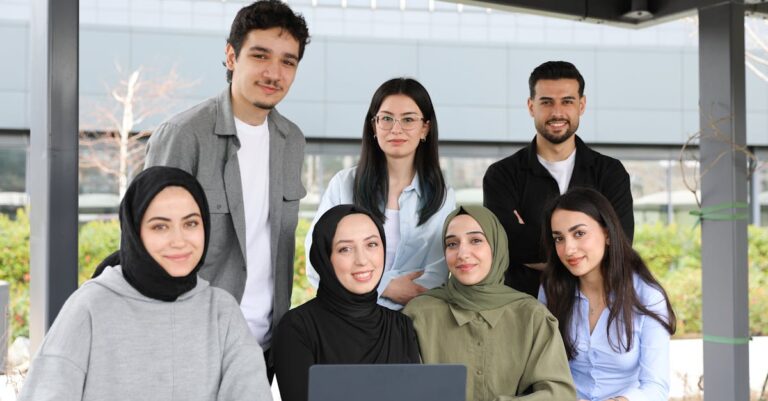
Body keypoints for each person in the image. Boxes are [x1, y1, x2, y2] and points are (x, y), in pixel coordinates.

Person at [144, 0, 310, 377]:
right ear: (231, 56)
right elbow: (147, 247)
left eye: (288, 61)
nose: (274, 72)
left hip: (263, 348)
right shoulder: (184, 135)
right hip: (191, 346)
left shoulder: (292, 140)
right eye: (260, 55)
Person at [19, 166, 271, 401]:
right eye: (160, 226)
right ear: (134, 232)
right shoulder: (90, 307)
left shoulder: (221, 312)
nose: (179, 240)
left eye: (191, 223)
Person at [483, 60, 634, 297]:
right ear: (531, 106)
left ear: (581, 105)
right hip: (525, 311)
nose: (557, 112)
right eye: (546, 102)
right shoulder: (502, 175)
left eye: (567, 101)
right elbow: (503, 249)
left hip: (595, 309)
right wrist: (586, 248)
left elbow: (620, 245)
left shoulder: (610, 173)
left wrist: (533, 240)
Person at [305, 77, 455, 310]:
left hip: (411, 324)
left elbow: (436, 275)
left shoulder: (442, 197)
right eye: (386, 118)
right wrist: (388, 286)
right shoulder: (344, 185)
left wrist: (363, 281)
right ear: (373, 126)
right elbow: (317, 259)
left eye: (408, 120)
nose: (396, 129)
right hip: (347, 319)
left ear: (425, 128)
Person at [403, 205, 576, 401]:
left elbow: (559, 394)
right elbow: (402, 390)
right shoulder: (418, 314)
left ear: (496, 246)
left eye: (476, 240)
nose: (462, 253)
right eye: (452, 244)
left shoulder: (531, 315)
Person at [539, 188, 676, 401]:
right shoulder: (551, 289)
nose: (568, 249)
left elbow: (656, 387)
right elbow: (544, 373)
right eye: (559, 238)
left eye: (579, 234)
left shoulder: (647, 296)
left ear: (608, 234)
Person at [273, 205, 420, 401]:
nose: (362, 260)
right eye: (345, 249)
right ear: (325, 258)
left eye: (372, 244)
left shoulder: (401, 326)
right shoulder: (297, 327)